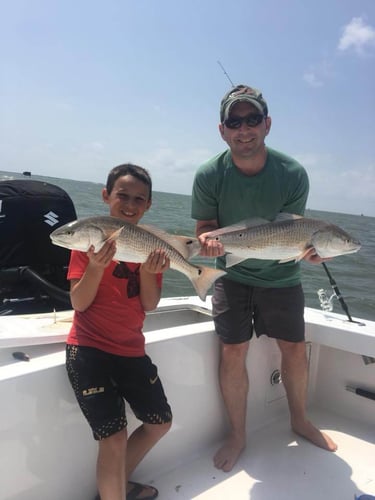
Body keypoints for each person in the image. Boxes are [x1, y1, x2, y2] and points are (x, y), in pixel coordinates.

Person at [191, 84, 337, 473]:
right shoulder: (209, 174)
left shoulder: (292, 174)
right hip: (231, 275)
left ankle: (300, 419)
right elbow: (206, 225)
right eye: (234, 121)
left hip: (282, 276)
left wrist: (307, 250)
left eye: (252, 119)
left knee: (294, 347)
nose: (244, 128)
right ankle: (238, 434)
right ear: (222, 130)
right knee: (233, 351)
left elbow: (292, 231)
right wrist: (206, 240)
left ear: (267, 124)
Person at [66, 163, 172, 500]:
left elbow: (150, 304)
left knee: (160, 422)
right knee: (113, 437)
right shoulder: (88, 243)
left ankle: (114, 486)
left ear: (148, 205)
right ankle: (113, 492)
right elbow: (79, 302)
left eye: (139, 199)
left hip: (130, 350)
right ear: (106, 196)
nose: (130, 204)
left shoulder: (149, 246)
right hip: (89, 350)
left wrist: (148, 272)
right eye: (122, 195)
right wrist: (96, 267)